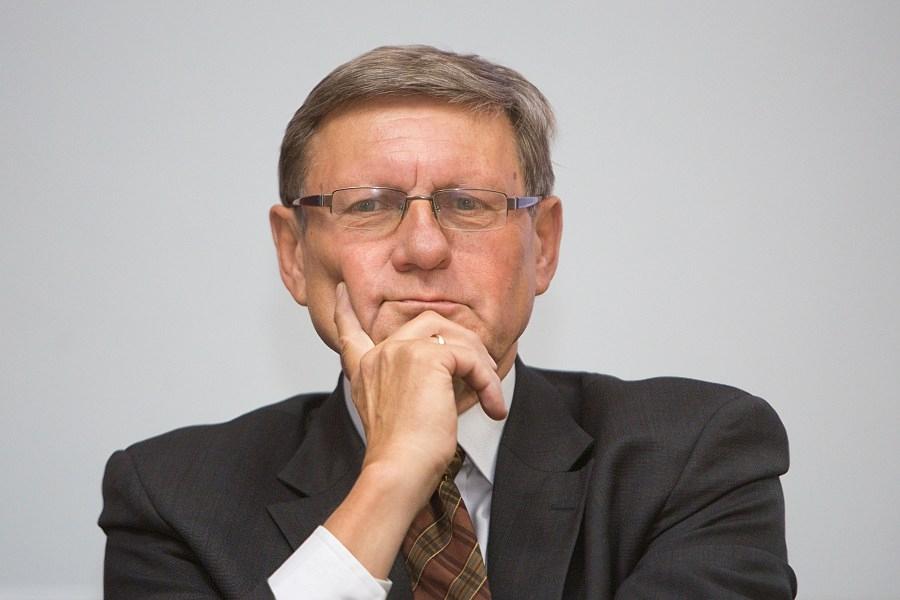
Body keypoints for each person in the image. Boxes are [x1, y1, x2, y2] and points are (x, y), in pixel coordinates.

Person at [99, 45, 797, 599]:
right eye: (370, 205)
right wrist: (392, 474)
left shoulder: (695, 455)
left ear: (543, 246)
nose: (425, 248)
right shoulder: (172, 497)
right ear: (293, 254)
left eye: (467, 204)